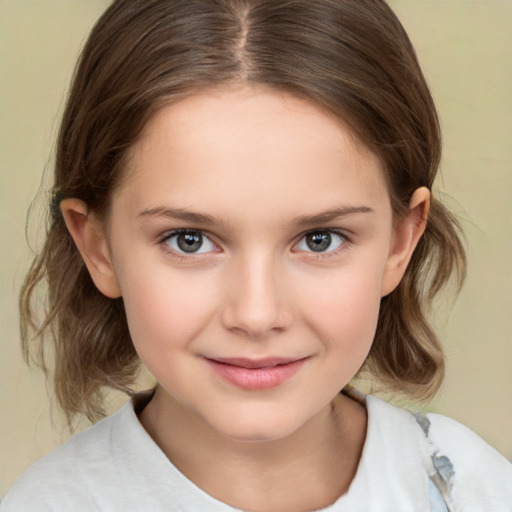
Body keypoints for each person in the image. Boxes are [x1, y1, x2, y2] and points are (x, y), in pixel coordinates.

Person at [2, 0, 511, 510]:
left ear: (400, 242)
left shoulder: (471, 490)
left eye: (319, 239)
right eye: (189, 240)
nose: (257, 314)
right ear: (99, 247)